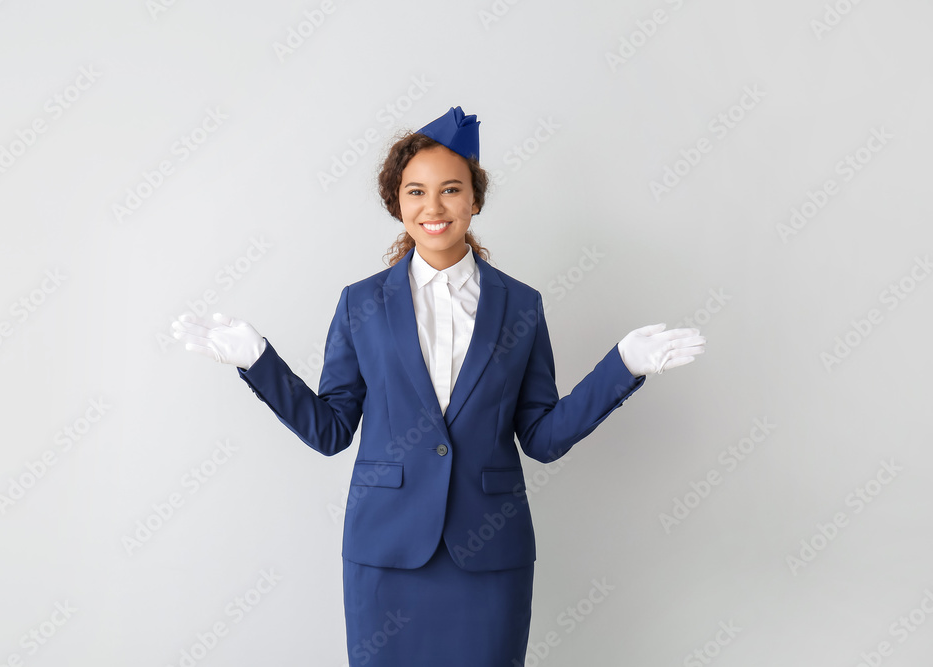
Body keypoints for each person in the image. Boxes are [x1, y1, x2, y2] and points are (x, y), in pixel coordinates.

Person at [171, 106, 705, 666]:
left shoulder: (521, 304)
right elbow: (330, 431)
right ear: (396, 203)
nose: (433, 207)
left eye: (451, 190)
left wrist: (622, 367)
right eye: (415, 192)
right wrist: (258, 361)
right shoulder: (361, 303)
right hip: (386, 550)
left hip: (490, 553)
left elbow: (543, 439)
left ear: (474, 199)